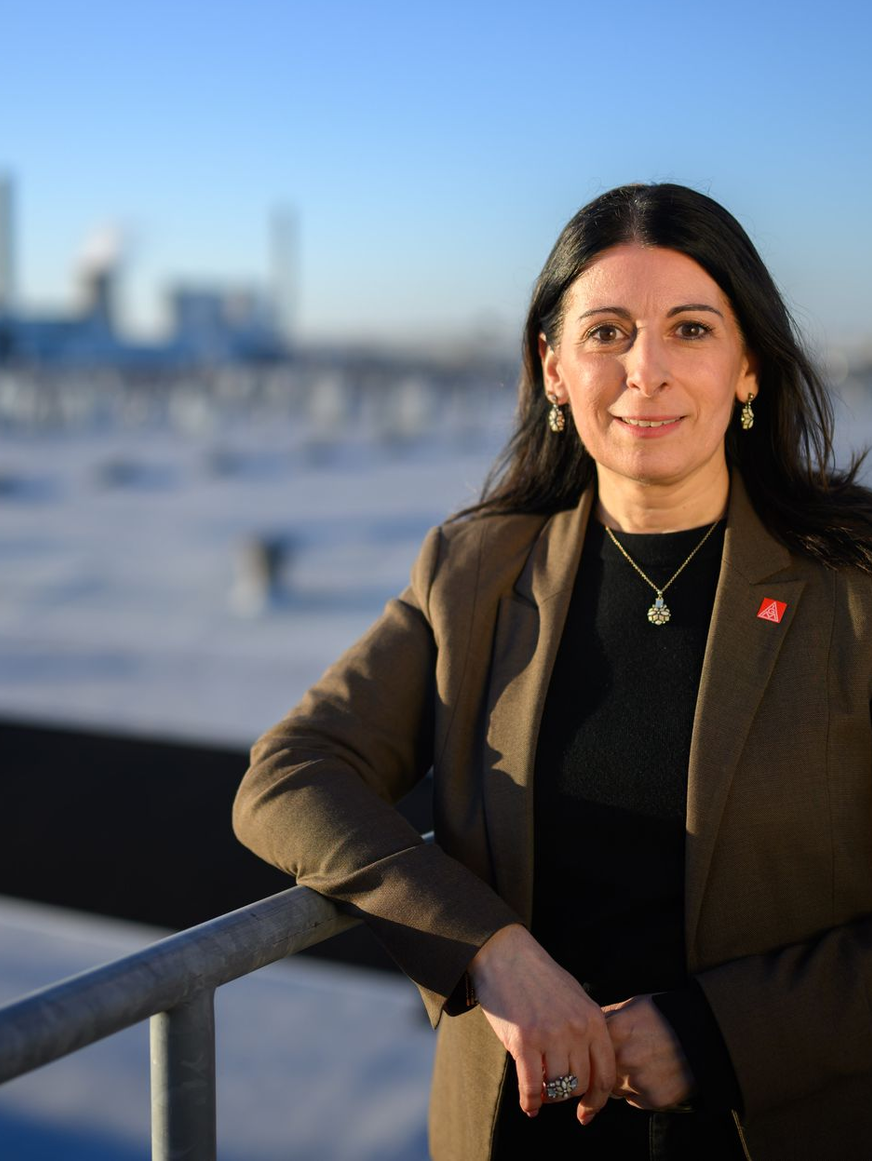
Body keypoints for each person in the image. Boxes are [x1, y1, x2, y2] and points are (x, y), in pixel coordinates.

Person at [232, 183, 872, 1160]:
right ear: (554, 369)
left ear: (748, 365)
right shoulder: (474, 572)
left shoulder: (853, 586)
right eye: (607, 332)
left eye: (691, 329)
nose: (646, 371)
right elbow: (290, 774)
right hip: (521, 1134)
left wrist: (722, 1033)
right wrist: (485, 947)